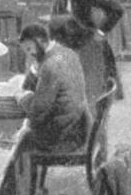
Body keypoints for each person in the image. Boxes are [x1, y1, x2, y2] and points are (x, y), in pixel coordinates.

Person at [16, 23, 91, 153]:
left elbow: (38, 110)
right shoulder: (67, 52)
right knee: (25, 130)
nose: (30, 55)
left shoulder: (50, 66)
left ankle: (24, 173)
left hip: (63, 137)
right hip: (78, 126)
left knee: (18, 140)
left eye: (29, 49)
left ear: (39, 41)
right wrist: (35, 69)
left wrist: (22, 98)